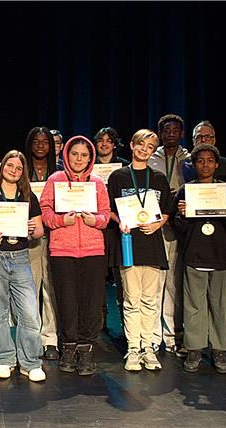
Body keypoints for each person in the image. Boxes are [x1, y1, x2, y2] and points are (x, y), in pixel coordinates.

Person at [0, 150, 46, 381]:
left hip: (21, 257)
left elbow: (40, 230)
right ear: (2, 167)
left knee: (29, 312)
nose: (13, 170)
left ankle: (30, 362)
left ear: (23, 172)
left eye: (18, 168)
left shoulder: (28, 197)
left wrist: (32, 230)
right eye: (10, 165)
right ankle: (4, 359)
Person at [40, 135, 111, 376]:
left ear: (90, 158)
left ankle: (86, 349)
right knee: (67, 301)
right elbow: (44, 211)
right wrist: (61, 221)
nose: (79, 159)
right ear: (67, 155)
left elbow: (106, 214)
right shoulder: (55, 180)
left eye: (84, 155)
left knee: (91, 303)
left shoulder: (97, 183)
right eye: (74, 154)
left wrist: (95, 220)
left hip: (93, 250)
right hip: (62, 250)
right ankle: (68, 348)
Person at [107, 129, 171, 372]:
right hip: (128, 245)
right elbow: (108, 208)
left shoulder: (159, 178)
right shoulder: (119, 176)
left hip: (152, 246)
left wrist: (158, 224)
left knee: (150, 300)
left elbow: (167, 210)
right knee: (131, 300)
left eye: (150, 147)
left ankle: (148, 348)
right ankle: (133, 349)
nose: (145, 149)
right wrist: (120, 221)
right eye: (141, 144)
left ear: (153, 151)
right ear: (132, 145)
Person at [172, 144, 226, 374]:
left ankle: (220, 350)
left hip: (219, 256)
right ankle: (194, 349)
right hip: (194, 255)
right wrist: (181, 215)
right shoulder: (186, 191)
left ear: (217, 164)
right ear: (193, 164)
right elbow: (178, 228)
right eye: (200, 161)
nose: (205, 165)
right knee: (194, 306)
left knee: (219, 305)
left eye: (210, 160)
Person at [147, 114, 189, 357]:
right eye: (166, 130)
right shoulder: (151, 158)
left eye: (175, 130)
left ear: (181, 133)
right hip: (154, 224)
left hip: (178, 226)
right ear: (160, 133)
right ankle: (153, 337)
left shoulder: (190, 159)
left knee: (174, 284)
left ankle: (173, 335)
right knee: (155, 283)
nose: (171, 134)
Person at [23, 127, 60, 360]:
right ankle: (31, 337)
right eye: (36, 141)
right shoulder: (20, 171)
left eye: (45, 142)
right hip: (28, 237)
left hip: (55, 235)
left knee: (51, 290)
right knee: (29, 289)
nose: (40, 145)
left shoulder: (59, 172)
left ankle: (50, 339)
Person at [94, 127, 130, 332]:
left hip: (118, 227)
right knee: (98, 277)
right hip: (97, 227)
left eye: (109, 140)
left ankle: (126, 324)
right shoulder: (89, 167)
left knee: (121, 277)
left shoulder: (124, 166)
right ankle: (100, 323)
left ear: (115, 144)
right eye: (101, 140)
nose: (105, 144)